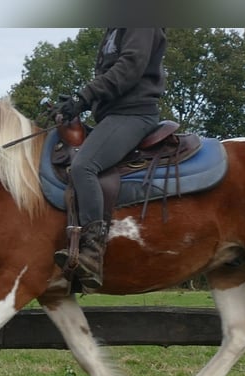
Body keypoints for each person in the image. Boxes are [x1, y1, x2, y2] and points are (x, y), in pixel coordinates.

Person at [53, 28, 167, 291]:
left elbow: (130, 66)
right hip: (111, 116)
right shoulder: (114, 27)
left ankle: (92, 252)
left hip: (133, 115)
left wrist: (84, 97)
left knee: (84, 167)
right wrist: (76, 105)